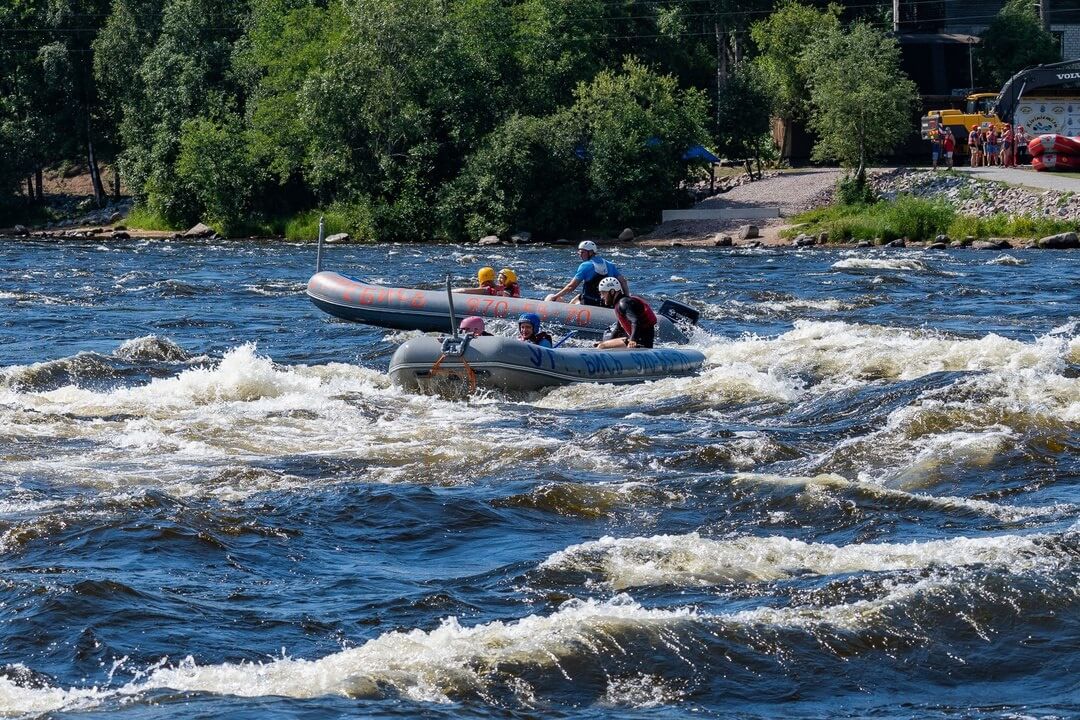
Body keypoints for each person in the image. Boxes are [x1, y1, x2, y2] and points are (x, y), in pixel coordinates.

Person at [546, 241, 629, 306]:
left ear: (591, 253)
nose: (580, 255)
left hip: (590, 302)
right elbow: (623, 282)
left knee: (551, 297)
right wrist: (626, 297)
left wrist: (555, 297)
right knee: (578, 296)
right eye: (579, 252)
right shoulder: (610, 264)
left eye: (582, 252)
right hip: (607, 303)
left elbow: (571, 287)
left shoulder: (585, 265)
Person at [594, 276, 657, 350]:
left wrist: (633, 340)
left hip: (641, 343)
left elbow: (635, 321)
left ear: (612, 292)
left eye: (603, 293)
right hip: (637, 340)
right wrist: (605, 342)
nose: (601, 297)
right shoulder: (621, 303)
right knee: (603, 344)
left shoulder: (623, 303)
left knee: (602, 347)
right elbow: (618, 329)